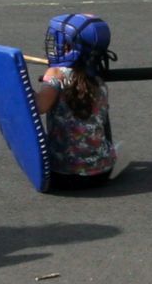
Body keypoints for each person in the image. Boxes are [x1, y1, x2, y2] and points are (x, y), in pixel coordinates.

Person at [34, 13, 119, 190]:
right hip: (101, 173)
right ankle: (103, 159)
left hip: (64, 174)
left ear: (70, 48)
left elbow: (40, 106)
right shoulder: (98, 80)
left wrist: (23, 84)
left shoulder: (57, 75)